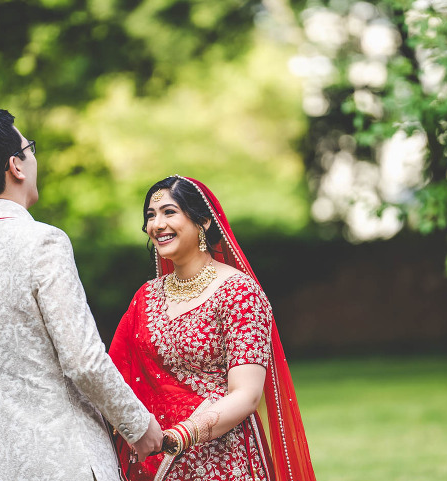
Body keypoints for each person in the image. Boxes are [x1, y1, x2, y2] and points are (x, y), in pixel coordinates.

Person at [0, 108, 162, 481]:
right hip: (68, 462)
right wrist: (138, 425)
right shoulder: (43, 243)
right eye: (29, 149)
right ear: (15, 166)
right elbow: (83, 360)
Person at [109, 175, 317, 481]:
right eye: (151, 216)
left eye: (169, 212)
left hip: (222, 461)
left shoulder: (239, 293)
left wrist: (180, 435)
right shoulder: (146, 297)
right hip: (155, 462)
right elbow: (114, 375)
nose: (157, 224)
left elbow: (246, 394)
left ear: (203, 221)